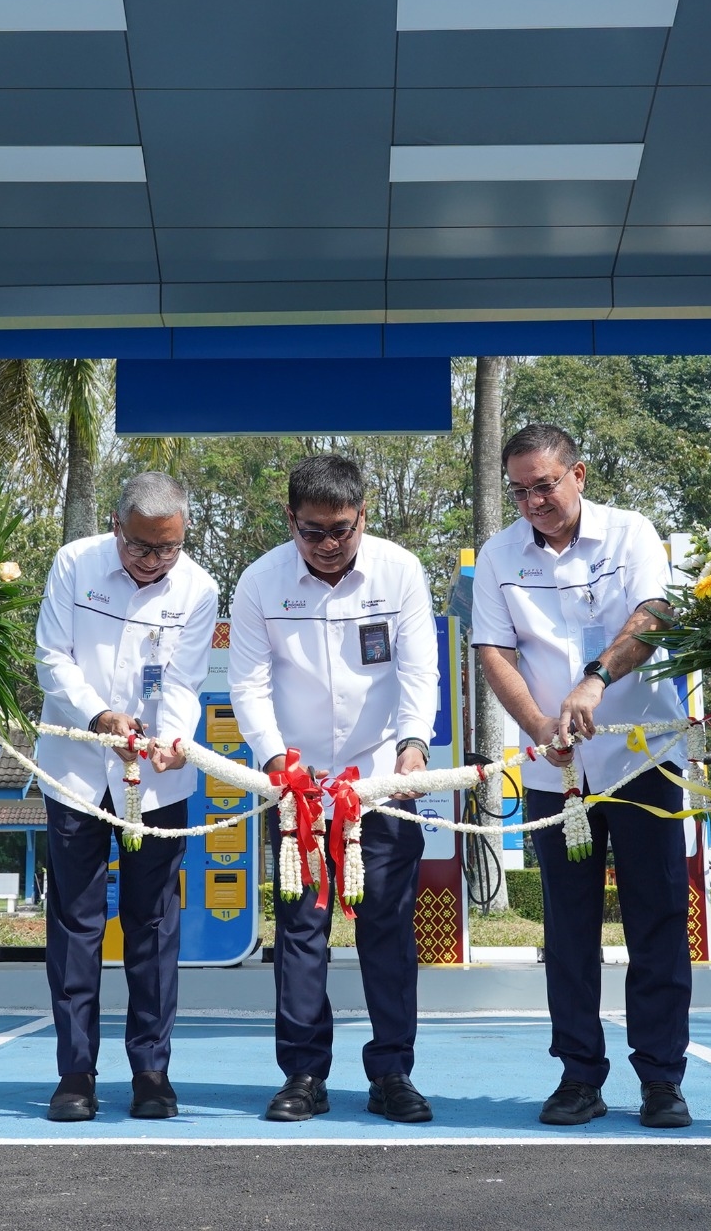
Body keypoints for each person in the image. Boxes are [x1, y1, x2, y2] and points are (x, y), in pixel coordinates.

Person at [469, 422, 693, 1129]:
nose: (533, 501)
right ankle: (578, 1076)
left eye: (545, 485)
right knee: (568, 930)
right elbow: (495, 651)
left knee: (656, 921)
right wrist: (539, 727)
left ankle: (661, 1079)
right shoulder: (499, 554)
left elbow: (655, 613)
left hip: (642, 760)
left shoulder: (631, 533)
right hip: (553, 773)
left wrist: (594, 682)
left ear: (579, 475)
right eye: (520, 491)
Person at [226, 453, 439, 1124]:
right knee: (300, 933)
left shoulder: (399, 570)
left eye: (341, 530)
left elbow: (418, 670)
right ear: (290, 518)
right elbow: (249, 685)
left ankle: (393, 1074)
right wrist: (275, 759)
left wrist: (412, 748)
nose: (327, 545)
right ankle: (303, 1075)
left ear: (363, 517)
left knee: (387, 931)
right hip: (295, 787)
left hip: (379, 783)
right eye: (312, 531)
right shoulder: (260, 582)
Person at [31, 470, 220, 1122]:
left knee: (153, 926)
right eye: (142, 548)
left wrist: (172, 736)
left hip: (157, 780)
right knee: (77, 925)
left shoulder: (198, 587)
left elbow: (186, 681)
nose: (155, 562)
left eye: (168, 548)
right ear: (117, 529)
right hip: (78, 772)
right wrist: (101, 717)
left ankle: (151, 1073)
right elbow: (52, 658)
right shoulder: (74, 563)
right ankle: (76, 1074)